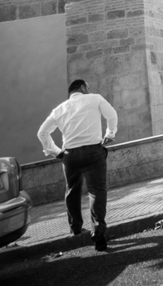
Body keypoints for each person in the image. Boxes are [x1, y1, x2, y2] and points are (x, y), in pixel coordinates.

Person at [37, 79, 118, 251]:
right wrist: (110, 134)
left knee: (72, 191)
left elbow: (42, 132)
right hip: (93, 152)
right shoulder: (95, 99)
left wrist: (56, 151)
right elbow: (111, 115)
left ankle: (75, 228)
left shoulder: (59, 109)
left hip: (70, 155)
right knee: (96, 191)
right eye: (87, 87)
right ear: (82, 87)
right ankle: (98, 234)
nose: (89, 90)